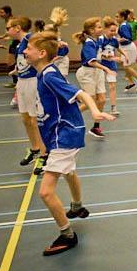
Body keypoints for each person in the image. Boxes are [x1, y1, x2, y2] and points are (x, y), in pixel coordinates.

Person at [24, 31, 114, 255]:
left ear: (42, 53)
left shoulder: (49, 76)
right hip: (61, 133)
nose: (25, 51)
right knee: (69, 171)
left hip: (65, 135)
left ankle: (67, 235)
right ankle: (77, 205)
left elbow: (82, 94)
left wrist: (95, 112)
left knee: (45, 192)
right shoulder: (43, 72)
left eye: (29, 48)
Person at [8, 17, 48, 172]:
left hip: (32, 81)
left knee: (35, 119)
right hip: (22, 81)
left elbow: (46, 41)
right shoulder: (20, 44)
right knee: (25, 118)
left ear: (17, 27)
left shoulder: (30, 38)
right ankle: (35, 148)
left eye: (8, 28)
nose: (7, 31)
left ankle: (45, 154)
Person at [73, 17, 111, 138]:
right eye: (99, 27)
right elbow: (91, 62)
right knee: (91, 101)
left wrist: (106, 56)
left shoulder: (97, 40)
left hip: (97, 72)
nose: (101, 29)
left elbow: (98, 56)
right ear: (91, 30)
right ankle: (68, 117)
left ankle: (96, 127)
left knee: (102, 100)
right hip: (87, 73)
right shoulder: (88, 43)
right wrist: (106, 68)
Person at [100, 17, 124, 117]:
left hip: (111, 66)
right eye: (111, 30)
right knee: (99, 90)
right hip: (100, 66)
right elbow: (97, 54)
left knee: (112, 86)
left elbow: (118, 49)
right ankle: (98, 107)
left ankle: (113, 108)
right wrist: (107, 56)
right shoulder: (101, 40)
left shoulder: (114, 40)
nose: (114, 32)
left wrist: (124, 56)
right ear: (105, 29)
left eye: (115, 31)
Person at [118, 9, 137, 92]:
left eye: (117, 17)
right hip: (124, 47)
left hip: (128, 48)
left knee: (126, 66)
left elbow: (128, 38)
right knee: (125, 66)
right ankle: (130, 82)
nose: (116, 18)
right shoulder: (123, 25)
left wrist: (118, 40)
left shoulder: (124, 26)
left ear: (122, 17)